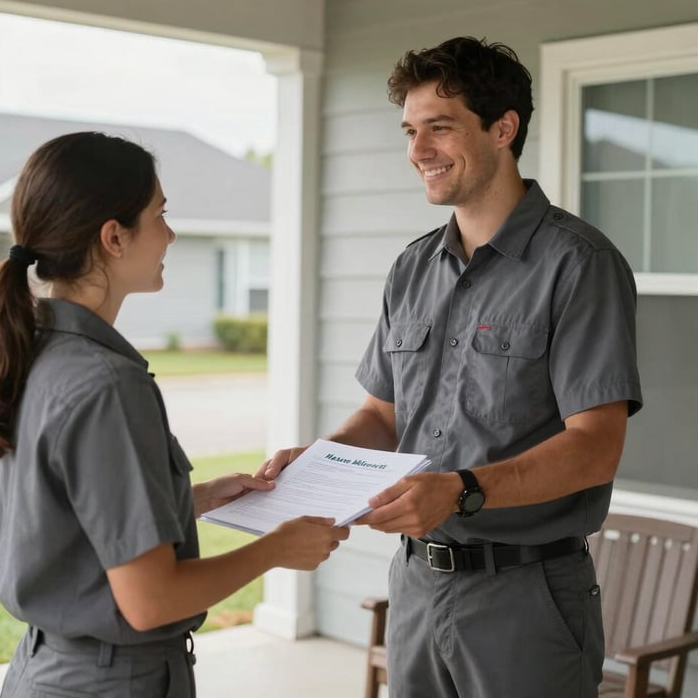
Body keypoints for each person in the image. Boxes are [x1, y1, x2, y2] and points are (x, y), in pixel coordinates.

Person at [260, 37, 642, 697]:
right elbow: (383, 414)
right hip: (415, 585)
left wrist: (463, 489)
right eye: (411, 131)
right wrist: (317, 466)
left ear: (503, 128)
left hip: (526, 599)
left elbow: (595, 448)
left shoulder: (579, 264)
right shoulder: (412, 268)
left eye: (440, 127)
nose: (418, 151)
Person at [0, 131, 349, 698]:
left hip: (44, 672)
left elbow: (69, 522)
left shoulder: (32, 351)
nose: (170, 234)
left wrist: (193, 499)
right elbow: (150, 602)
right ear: (114, 237)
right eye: (160, 215)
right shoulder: (106, 383)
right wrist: (276, 549)